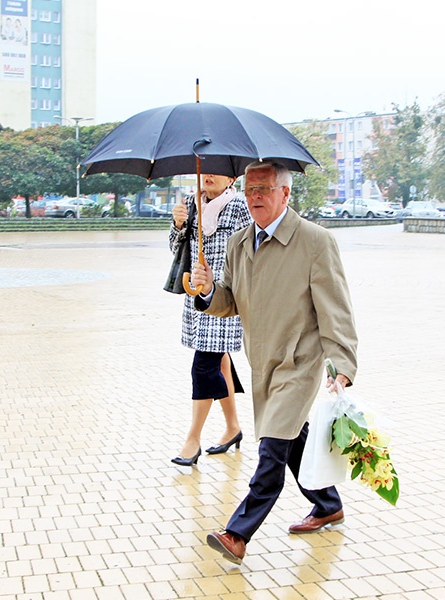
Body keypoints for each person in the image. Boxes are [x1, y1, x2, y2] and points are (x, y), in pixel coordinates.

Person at [191, 160, 358, 564]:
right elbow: (229, 302)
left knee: (271, 450)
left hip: (300, 363)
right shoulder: (238, 242)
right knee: (292, 438)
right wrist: (208, 288)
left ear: (286, 193)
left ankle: (237, 533)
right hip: (261, 362)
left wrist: (343, 365)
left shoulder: (315, 242)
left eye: (264, 189)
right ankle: (327, 504)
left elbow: (336, 309)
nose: (255, 198)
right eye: (249, 190)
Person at [168, 174, 253, 466]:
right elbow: (176, 249)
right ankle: (233, 428)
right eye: (205, 172)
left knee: (204, 367)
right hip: (196, 297)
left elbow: (250, 251)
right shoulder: (193, 206)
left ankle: (193, 440)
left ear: (231, 177)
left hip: (224, 298)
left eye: (217, 171)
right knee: (220, 361)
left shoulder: (239, 206)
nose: (209, 177)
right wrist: (179, 225)